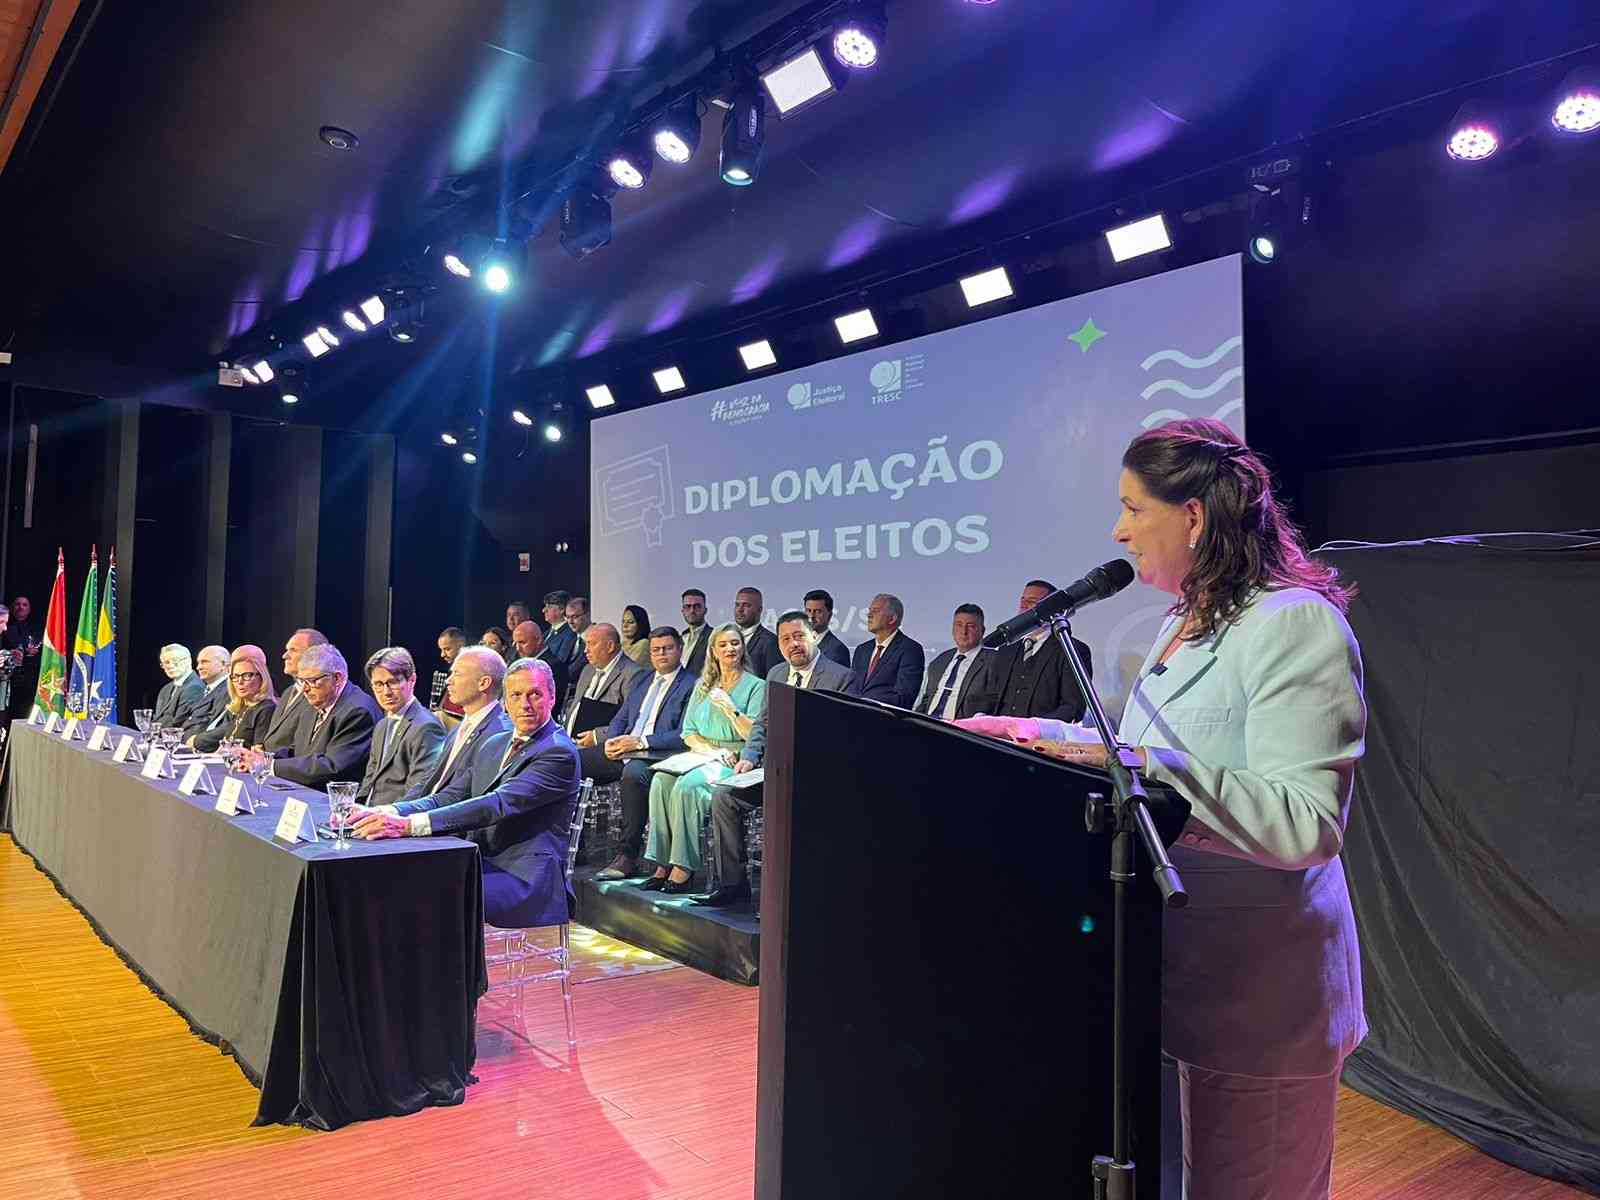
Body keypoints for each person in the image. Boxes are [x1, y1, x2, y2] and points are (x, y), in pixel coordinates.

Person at [962, 419, 1367, 1199]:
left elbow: (1306, 819)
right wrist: (1027, 732)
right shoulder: (1180, 624)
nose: (1117, 530)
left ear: (1194, 516)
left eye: (1131, 507)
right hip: (1183, 986)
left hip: (1263, 1005)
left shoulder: (1295, 623)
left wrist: (1140, 767)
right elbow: (1132, 742)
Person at [352, 657, 582, 931]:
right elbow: (448, 796)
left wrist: (409, 826)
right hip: (477, 860)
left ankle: (445, 973)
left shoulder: (558, 752)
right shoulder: (495, 743)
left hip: (525, 878)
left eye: (535, 694)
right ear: (506, 700)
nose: (525, 704)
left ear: (552, 697)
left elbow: (497, 804)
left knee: (425, 895)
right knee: (395, 877)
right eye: (516, 695)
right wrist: (388, 811)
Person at [700, 611, 854, 907]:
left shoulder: (840, 677)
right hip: (772, 770)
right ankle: (733, 885)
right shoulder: (776, 674)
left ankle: (784, 898)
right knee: (724, 796)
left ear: (812, 636)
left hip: (815, 776)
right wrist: (748, 758)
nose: (793, 644)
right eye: (785, 639)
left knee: (783, 806)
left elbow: (843, 737)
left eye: (798, 636)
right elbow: (762, 724)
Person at [640, 623, 766, 894]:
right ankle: (662, 863)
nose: (730, 649)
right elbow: (688, 732)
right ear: (714, 651)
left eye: (735, 643)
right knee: (661, 781)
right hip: (704, 753)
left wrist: (731, 709)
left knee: (688, 787)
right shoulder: (703, 685)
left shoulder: (757, 686)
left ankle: (684, 867)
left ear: (743, 648)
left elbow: (755, 732)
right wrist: (710, 751)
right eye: (723, 645)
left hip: (735, 758)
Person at [585, 628, 699, 881]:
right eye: (656, 649)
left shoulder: (691, 684)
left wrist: (640, 742)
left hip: (657, 754)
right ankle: (563, 841)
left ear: (679, 650)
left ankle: (627, 856)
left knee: (633, 774)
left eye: (668, 648)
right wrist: (612, 740)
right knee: (571, 762)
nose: (661, 654)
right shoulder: (642, 679)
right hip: (623, 749)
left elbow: (683, 734)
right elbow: (621, 717)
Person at [246, 643, 379, 789]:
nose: (305, 689)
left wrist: (271, 766)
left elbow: (332, 766)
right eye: (301, 681)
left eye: (313, 681)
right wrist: (264, 758)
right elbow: (298, 751)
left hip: (331, 798)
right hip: (303, 791)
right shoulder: (314, 702)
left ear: (337, 678)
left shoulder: (358, 711)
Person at [406, 645, 512, 800]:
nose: (449, 681)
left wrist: (405, 819)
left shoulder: (500, 733)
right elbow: (428, 781)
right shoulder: (458, 728)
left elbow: (462, 796)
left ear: (483, 683)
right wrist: (391, 810)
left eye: (457, 674)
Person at [984, 580, 1093, 722]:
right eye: (1022, 600)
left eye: (1032, 601)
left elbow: (1072, 708)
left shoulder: (1073, 650)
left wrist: (1035, 727)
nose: (1023, 605)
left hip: (1042, 739)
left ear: (1052, 609)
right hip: (996, 738)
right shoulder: (1006, 650)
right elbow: (990, 696)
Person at [354, 647, 446, 807]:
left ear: (412, 680)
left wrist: (384, 816)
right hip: (368, 814)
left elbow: (419, 790)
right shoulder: (382, 724)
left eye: (393, 682)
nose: (386, 692)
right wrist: (356, 807)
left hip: (394, 820)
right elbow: (370, 777)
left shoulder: (427, 727)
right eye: (378, 684)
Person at [563, 623, 646, 746]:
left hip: (602, 748)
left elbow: (631, 720)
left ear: (610, 646)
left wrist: (598, 737)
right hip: (569, 742)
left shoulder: (633, 674)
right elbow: (575, 705)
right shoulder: (587, 669)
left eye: (591, 644)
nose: (586, 650)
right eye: (586, 644)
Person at [914, 604, 1002, 719]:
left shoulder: (995, 661)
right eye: (959, 625)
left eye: (970, 626)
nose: (963, 631)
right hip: (929, 724)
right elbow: (926, 700)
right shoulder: (940, 661)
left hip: (961, 730)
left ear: (982, 630)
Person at [188, 645, 278, 752]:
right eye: (235, 677)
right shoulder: (242, 707)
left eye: (247, 675)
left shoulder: (267, 708)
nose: (240, 682)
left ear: (262, 677)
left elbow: (257, 755)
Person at [850, 594, 925, 709]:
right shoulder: (862, 650)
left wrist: (865, 703)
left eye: (875, 611)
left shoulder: (911, 650)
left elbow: (904, 697)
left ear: (892, 618)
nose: (869, 615)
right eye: (870, 611)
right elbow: (852, 688)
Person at [263, 628, 329, 751]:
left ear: (313, 654)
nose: (284, 656)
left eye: (293, 650)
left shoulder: (318, 695)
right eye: (286, 650)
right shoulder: (288, 692)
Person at [179, 645, 231, 736]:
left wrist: (183, 738)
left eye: (204, 662)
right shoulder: (207, 689)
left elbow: (208, 725)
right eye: (198, 663)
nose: (198, 667)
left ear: (223, 664)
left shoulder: (228, 690)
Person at [2, 594, 40, 720]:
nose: (21, 607)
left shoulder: (36, 629)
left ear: (29, 609)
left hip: (29, 678)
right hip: (8, 679)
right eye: (18, 604)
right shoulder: (5, 627)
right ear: (12, 608)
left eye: (24, 605)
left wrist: (34, 651)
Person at [152, 644, 207, 727]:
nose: (170, 666)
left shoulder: (195, 688)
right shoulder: (165, 689)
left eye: (175, 661)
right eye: (166, 663)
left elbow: (177, 722)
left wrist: (151, 728)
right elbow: (157, 717)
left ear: (188, 661)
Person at [733, 586, 781, 678]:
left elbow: (773, 683)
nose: (740, 610)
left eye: (746, 605)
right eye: (737, 605)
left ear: (759, 610)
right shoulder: (727, 638)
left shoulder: (771, 642)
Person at [802, 589, 852, 668]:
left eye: (817, 611)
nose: (811, 616)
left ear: (830, 615)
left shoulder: (838, 650)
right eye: (808, 611)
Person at [432, 626, 468, 719]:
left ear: (461, 646)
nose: (442, 655)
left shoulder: (471, 671)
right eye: (441, 650)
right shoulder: (452, 670)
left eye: (447, 649)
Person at [679, 588, 710, 676]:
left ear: (705, 610)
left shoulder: (714, 636)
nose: (692, 610)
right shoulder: (679, 639)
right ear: (682, 611)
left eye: (697, 606)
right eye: (688, 606)